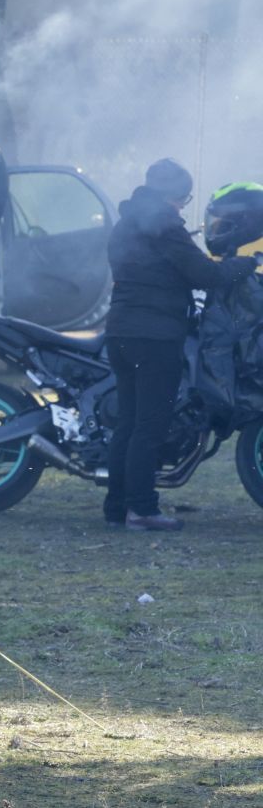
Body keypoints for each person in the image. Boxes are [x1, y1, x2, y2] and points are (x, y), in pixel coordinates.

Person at [103, 158, 254, 531]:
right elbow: (206, 274)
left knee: (127, 423)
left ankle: (116, 506)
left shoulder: (125, 224)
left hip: (120, 332)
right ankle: (141, 509)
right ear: (172, 196)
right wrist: (247, 264)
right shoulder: (166, 226)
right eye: (184, 199)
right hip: (156, 338)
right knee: (149, 426)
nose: (182, 207)